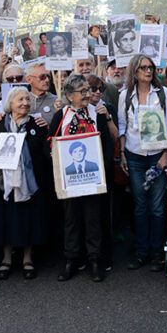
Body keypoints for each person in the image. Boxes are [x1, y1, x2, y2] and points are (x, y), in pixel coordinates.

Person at [0, 88, 51, 281]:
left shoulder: (37, 124)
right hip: (4, 182)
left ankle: (28, 259)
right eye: (20, 100)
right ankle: (6, 259)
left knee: (30, 219)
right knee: (5, 219)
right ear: (10, 104)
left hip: (31, 182)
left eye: (27, 99)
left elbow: (46, 151)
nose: (25, 103)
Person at [51, 75, 116, 282]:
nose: (88, 94)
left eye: (88, 90)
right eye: (83, 91)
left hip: (92, 176)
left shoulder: (96, 114)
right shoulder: (61, 115)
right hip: (69, 177)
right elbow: (51, 141)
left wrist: (101, 170)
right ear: (70, 96)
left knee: (92, 218)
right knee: (71, 219)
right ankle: (71, 259)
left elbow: (106, 143)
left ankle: (95, 260)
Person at [118, 55, 167, 271]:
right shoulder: (125, 96)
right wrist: (123, 154)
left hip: (156, 155)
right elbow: (123, 126)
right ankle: (141, 252)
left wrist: (165, 155)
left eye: (150, 67)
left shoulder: (163, 94)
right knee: (140, 206)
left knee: (157, 207)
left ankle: (157, 253)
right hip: (134, 155)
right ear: (134, 71)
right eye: (143, 67)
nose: (148, 71)